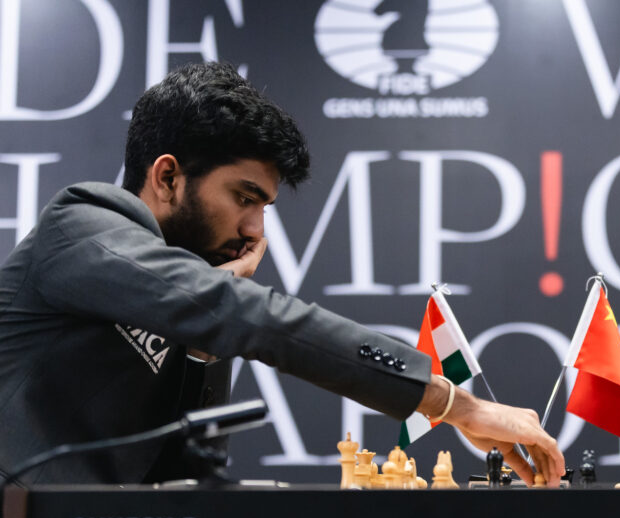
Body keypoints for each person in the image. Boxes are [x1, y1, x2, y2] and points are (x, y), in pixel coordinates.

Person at [0, 62, 564, 490]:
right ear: (168, 177)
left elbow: (182, 475)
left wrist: (201, 347)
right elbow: (249, 317)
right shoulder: (82, 225)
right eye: (244, 197)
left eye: (265, 206)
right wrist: (454, 403)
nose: (255, 230)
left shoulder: (184, 292)